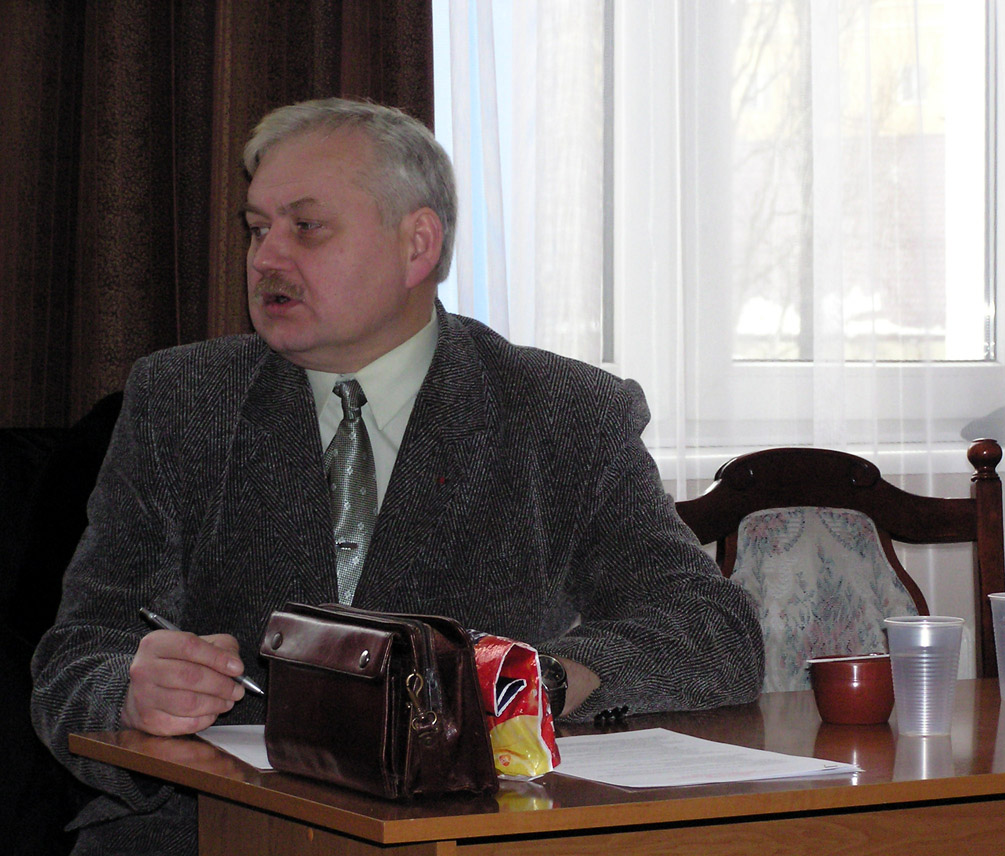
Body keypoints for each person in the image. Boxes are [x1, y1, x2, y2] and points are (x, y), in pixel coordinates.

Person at [31, 98, 764, 854]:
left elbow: (711, 633)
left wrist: (536, 683)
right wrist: (130, 693)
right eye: (256, 228)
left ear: (418, 244)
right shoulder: (184, 401)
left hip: (467, 833)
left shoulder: (560, 413)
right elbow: (75, 657)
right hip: (214, 831)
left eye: (305, 227)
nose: (265, 258)